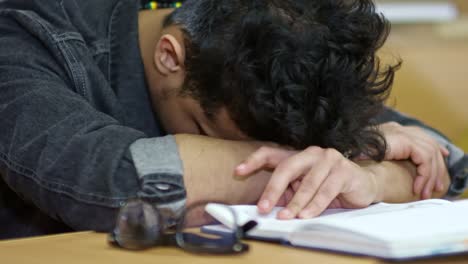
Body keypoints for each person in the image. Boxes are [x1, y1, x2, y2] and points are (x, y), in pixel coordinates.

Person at [0, 0, 466, 239]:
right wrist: (333, 168)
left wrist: (370, 179)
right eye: (208, 137)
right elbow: (112, 177)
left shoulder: (275, 56)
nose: (306, 162)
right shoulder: (22, 38)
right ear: (170, 57)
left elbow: (447, 161)